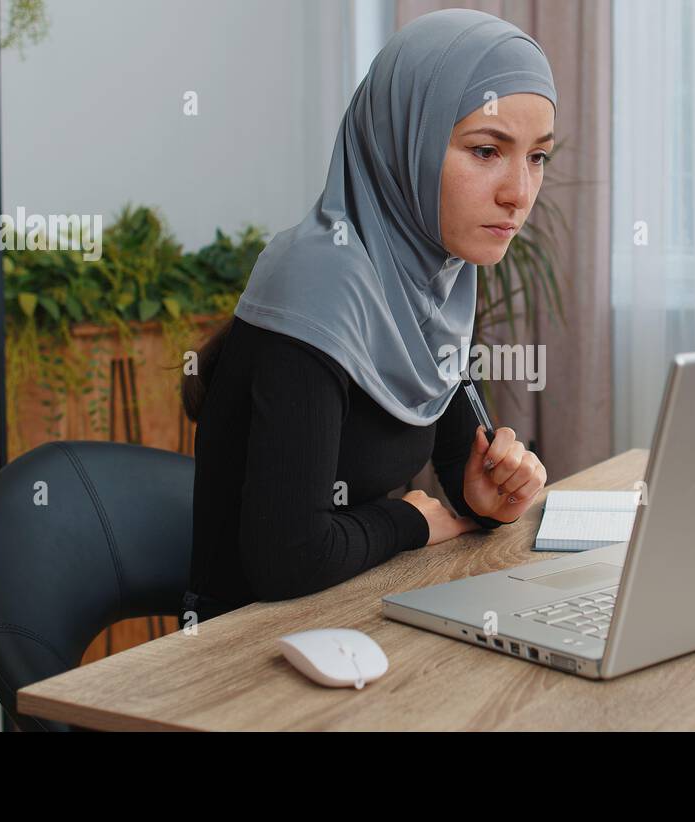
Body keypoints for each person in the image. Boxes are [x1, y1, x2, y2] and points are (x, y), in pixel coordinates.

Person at [179, 9, 557, 624]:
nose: (518, 191)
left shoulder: (438, 274)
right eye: (486, 150)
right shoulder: (318, 276)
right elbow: (286, 557)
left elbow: (460, 462)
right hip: (242, 646)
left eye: (537, 157)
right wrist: (411, 518)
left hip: (346, 612)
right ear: (404, 138)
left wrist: (489, 495)